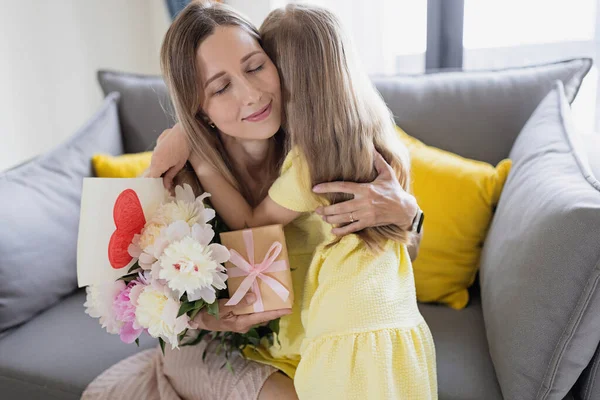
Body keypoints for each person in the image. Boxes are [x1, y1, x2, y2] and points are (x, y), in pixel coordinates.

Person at [82, 2, 426, 399]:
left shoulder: (317, 144)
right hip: (219, 349)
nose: (252, 95)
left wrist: (408, 213)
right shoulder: (180, 175)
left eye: (255, 66)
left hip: (308, 343)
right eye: (221, 87)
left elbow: (390, 260)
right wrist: (209, 321)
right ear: (201, 110)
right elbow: (135, 295)